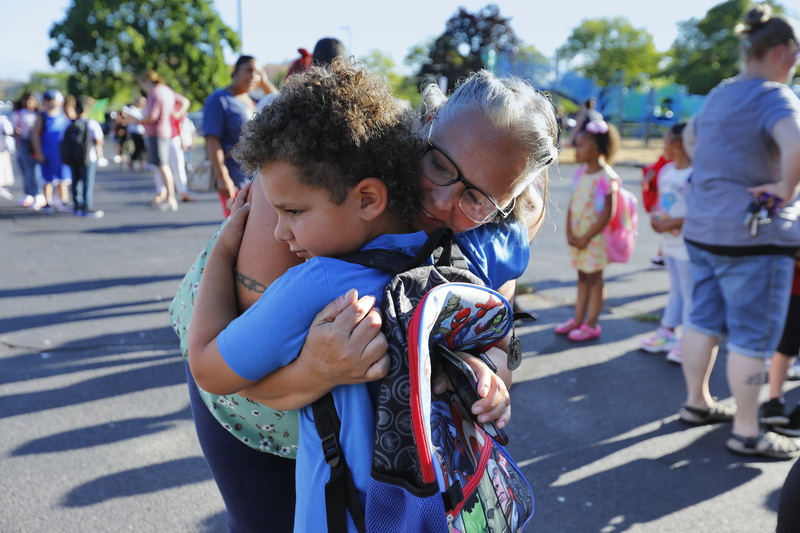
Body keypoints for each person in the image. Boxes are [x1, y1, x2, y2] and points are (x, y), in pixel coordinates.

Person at [170, 66, 558, 531]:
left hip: (359, 443)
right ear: (427, 122)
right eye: (438, 165)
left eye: (477, 199)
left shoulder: (497, 235)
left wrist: (487, 373)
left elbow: (500, 335)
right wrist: (316, 369)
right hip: (253, 414)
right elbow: (228, 367)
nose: (441, 201)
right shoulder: (325, 181)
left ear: (508, 202)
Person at [677, 5, 800, 460]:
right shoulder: (773, 96)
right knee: (752, 337)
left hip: (704, 229)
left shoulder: (720, 94)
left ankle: (696, 403)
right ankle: (748, 432)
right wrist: (786, 189)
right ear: (784, 52)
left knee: (701, 320)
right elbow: (796, 143)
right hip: (753, 237)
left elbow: (690, 140)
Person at [555, 119, 621, 341]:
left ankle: (592, 323)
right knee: (582, 277)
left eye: (582, 145)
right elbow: (573, 205)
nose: (576, 149)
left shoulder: (607, 177)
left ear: (597, 148)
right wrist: (569, 233)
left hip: (594, 239)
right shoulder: (581, 173)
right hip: (579, 238)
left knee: (595, 280)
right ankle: (578, 318)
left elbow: (607, 214)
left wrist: (586, 236)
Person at [639, 122, 693, 363]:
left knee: (690, 293)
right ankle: (668, 331)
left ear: (678, 144)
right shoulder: (667, 171)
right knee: (676, 289)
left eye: (665, 143)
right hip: (670, 245)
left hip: (688, 247)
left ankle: (689, 341)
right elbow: (662, 203)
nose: (663, 148)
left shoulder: (696, 174)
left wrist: (674, 223)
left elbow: (701, 211)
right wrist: (656, 219)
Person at [203, 55, 273, 217]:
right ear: (236, 70)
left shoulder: (254, 100)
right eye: (248, 70)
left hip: (259, 180)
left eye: (258, 73)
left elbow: (279, 101)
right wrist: (222, 177)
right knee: (237, 231)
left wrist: (265, 83)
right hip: (235, 180)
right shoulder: (219, 99)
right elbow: (212, 140)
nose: (253, 76)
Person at [759, 259, 800, 437]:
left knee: (783, 347)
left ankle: (774, 401)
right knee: (783, 347)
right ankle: (775, 404)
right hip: (792, 285)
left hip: (791, 285)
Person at [137, 69, 187, 212]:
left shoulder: (154, 92)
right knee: (163, 166)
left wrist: (137, 118)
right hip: (165, 131)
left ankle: (171, 197)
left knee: (163, 166)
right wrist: (177, 113)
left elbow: (152, 115)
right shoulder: (166, 90)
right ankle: (168, 196)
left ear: (147, 81)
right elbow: (184, 101)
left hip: (157, 132)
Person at [31, 89, 72, 213]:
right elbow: (35, 136)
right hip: (47, 153)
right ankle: (47, 201)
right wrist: (38, 152)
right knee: (47, 179)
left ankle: (63, 200)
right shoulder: (42, 117)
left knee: (62, 178)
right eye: (47, 101)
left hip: (61, 154)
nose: (50, 104)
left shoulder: (64, 116)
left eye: (53, 101)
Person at [65, 96, 105, 218]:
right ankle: (87, 206)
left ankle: (77, 205)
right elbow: (98, 140)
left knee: (75, 181)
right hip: (88, 157)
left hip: (72, 158)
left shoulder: (69, 123)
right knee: (87, 182)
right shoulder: (91, 123)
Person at [12, 92, 44, 209]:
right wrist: (15, 132)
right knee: (28, 170)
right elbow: (14, 131)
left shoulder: (39, 115)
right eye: (26, 100)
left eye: (31, 100)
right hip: (25, 144)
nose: (29, 103)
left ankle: (38, 193)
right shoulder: (18, 114)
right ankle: (29, 193)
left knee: (36, 170)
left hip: (38, 143)